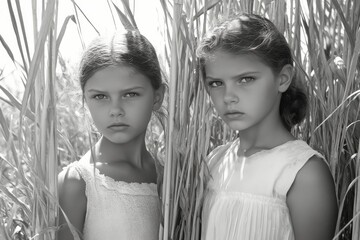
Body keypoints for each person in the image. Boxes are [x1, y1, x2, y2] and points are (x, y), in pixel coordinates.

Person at [196, 13, 338, 240]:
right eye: (216, 83)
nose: (228, 96)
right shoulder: (215, 161)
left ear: (283, 79)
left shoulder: (303, 173)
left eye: (245, 79)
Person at [57, 30, 165, 240]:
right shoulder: (78, 183)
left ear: (157, 97)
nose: (115, 109)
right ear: (85, 100)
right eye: (100, 96)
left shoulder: (169, 178)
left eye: (130, 94)